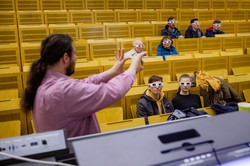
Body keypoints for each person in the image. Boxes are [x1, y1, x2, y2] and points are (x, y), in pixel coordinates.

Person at [22, 34, 147, 138]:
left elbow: (82, 84)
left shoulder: (45, 84)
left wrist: (112, 72)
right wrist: (132, 69)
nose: (76, 58)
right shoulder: (62, 91)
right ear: (66, 58)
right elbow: (112, 91)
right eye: (74, 54)